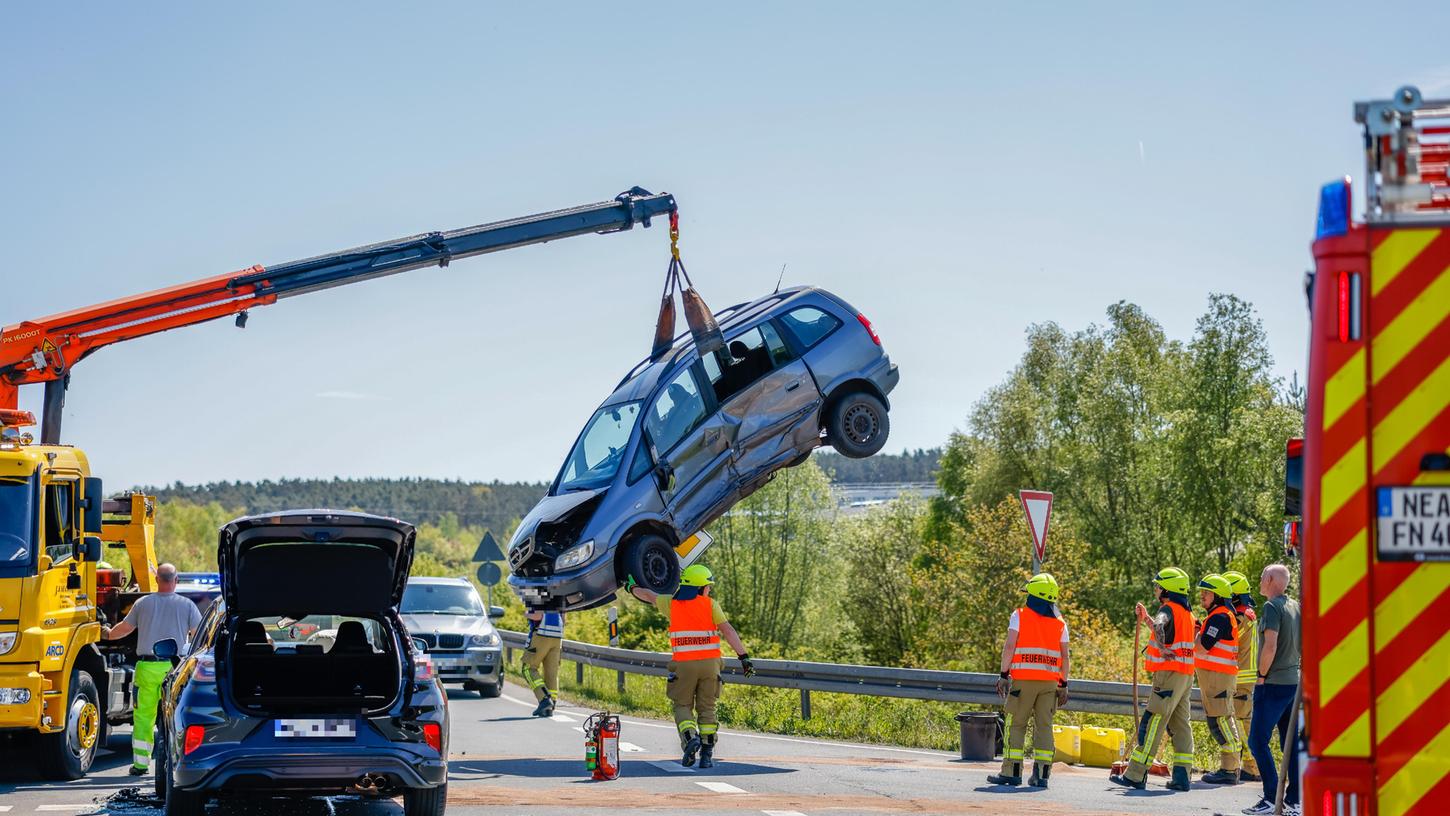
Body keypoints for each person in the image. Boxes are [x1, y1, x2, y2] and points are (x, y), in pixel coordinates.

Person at [627, 564, 754, 768]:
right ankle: (707, 755)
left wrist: (632, 588)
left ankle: (689, 738)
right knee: (708, 708)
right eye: (707, 586)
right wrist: (744, 657)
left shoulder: (671, 604)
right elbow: (728, 630)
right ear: (700, 588)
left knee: (682, 706)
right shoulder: (710, 605)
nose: (709, 590)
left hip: (684, 666)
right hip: (710, 666)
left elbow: (649, 595)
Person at [102, 563, 202, 775]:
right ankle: (178, 762)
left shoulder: (143, 603)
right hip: (175, 668)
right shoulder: (187, 605)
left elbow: (125, 629)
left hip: (147, 668)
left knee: (143, 718)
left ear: (157, 580)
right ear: (176, 581)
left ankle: (140, 764)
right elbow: (198, 636)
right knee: (176, 716)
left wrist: (107, 634)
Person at [1110, 567, 1195, 792]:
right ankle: (1182, 776)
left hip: (1168, 675)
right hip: (1185, 676)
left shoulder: (1168, 609)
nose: (1156, 590)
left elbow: (1160, 625)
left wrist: (1161, 646)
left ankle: (1136, 774)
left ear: (1167, 589)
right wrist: (1147, 617)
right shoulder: (1187, 613)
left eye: (1158, 586)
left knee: (1152, 722)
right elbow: (1161, 625)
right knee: (1180, 725)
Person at [986, 573, 1069, 789]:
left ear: (1032, 595)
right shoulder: (1060, 623)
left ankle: (1011, 772)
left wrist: (1004, 675)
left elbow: (1010, 647)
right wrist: (1063, 685)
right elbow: (1065, 657)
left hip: (1023, 681)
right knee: (1044, 727)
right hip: (1050, 684)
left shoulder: (1019, 615)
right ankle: (1041, 775)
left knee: (1016, 724)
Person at [1241, 564, 1301, 816]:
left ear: (1270, 579)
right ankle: (1295, 801)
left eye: (1263, 576)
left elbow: (1270, 646)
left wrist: (1261, 676)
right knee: (1291, 743)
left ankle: (1270, 797)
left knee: (1257, 740)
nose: (1260, 579)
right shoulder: (1296, 606)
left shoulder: (1271, 607)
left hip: (1273, 682)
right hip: (1293, 682)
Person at [1195, 574, 1243, 784]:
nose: (1202, 596)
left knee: (1221, 721)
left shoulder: (1220, 617)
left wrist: (1196, 634)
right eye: (1202, 592)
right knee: (1218, 720)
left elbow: (1202, 646)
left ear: (1218, 596)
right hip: (1215, 678)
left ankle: (1230, 770)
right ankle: (1229, 768)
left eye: (1207, 592)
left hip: (1219, 679)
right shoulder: (1216, 616)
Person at [1222, 569, 1261, 782]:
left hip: (1241, 677)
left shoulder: (1241, 616)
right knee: (1241, 723)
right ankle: (1248, 766)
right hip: (1243, 676)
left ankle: (1252, 767)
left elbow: (1227, 636)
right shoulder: (1247, 612)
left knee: (1241, 725)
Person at [522, 610, 565, 717]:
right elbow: (564, 618)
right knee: (551, 673)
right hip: (557, 636)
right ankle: (550, 706)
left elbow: (538, 616)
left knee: (528, 669)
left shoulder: (539, 593)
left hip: (542, 633)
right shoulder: (560, 594)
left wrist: (526, 614)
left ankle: (545, 699)